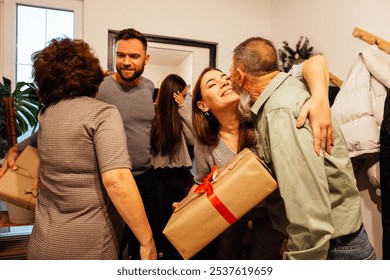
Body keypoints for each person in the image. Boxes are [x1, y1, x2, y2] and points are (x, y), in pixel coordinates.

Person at [0, 38, 157, 259]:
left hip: (43, 244)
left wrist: (14, 149)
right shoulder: (102, 114)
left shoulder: (48, 115)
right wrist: (146, 239)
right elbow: (116, 181)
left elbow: (35, 139)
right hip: (88, 248)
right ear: (90, 73)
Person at [229, 36, 375, 259]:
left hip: (334, 250)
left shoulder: (279, 112)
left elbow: (309, 215)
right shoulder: (288, 90)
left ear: (239, 76)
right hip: (339, 243)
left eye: (229, 72)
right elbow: (315, 62)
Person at [190, 54, 332, 259]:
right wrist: (184, 206)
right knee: (226, 256)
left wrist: (320, 98)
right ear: (203, 105)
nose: (223, 83)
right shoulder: (205, 142)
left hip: (271, 211)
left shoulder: (260, 118)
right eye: (213, 83)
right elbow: (200, 181)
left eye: (224, 78)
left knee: (264, 259)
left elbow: (316, 62)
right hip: (231, 211)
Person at [96, 28, 161, 259]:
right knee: (112, 243)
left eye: (134, 56)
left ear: (146, 58)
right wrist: (20, 147)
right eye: (121, 55)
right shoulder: (99, 87)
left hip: (145, 177)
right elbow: (68, 116)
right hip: (111, 181)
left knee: (144, 243)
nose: (126, 62)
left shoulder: (149, 87)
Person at [150, 74, 195, 259]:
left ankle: (170, 256)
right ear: (174, 94)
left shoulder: (181, 113)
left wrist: (184, 106)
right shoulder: (154, 114)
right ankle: (156, 253)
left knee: (174, 219)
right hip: (155, 175)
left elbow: (193, 139)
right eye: (183, 95)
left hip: (179, 175)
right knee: (157, 218)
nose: (186, 97)